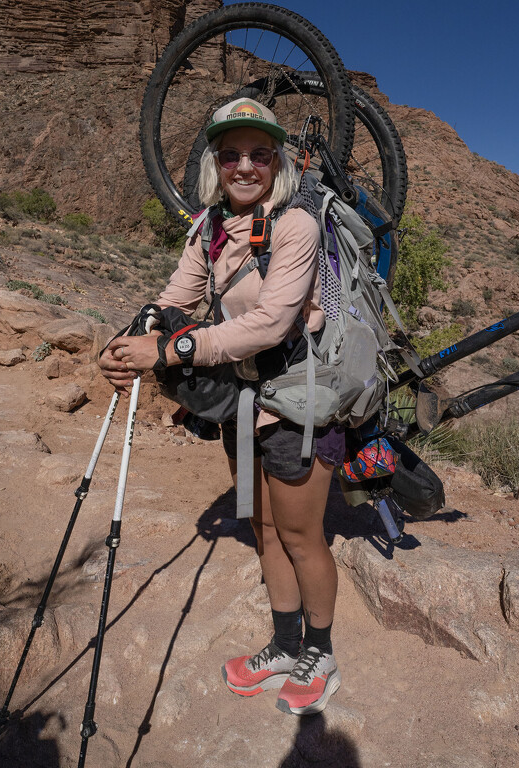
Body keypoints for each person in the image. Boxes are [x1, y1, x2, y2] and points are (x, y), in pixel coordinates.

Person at [99, 98, 345, 716]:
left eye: (259, 155)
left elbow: (270, 324)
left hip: (297, 400)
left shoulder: (296, 227)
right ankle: (286, 644)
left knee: (301, 534)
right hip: (244, 397)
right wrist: (129, 343)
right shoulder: (209, 227)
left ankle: (321, 651)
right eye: (231, 154)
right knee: (261, 526)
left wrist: (175, 348)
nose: (245, 166)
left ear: (276, 163)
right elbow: (174, 298)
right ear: (216, 162)